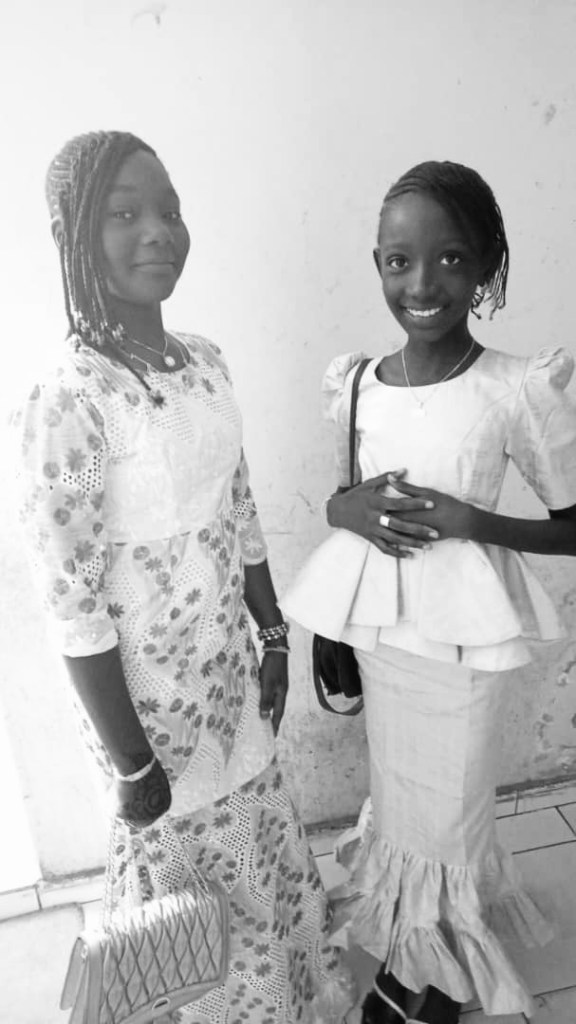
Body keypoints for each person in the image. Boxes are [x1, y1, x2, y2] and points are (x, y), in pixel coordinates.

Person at [14, 130, 356, 1024]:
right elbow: (71, 600)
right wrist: (131, 762)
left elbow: (239, 506)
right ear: (72, 238)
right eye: (123, 213)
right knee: (185, 916)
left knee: (260, 855)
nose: (157, 231)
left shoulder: (204, 361)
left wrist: (273, 635)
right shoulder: (73, 400)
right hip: (149, 711)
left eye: (169, 209)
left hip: (228, 677)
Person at [280, 160, 576, 1023]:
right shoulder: (356, 383)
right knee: (406, 803)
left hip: (464, 642)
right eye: (399, 261)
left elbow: (572, 526)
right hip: (385, 637)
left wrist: (472, 520)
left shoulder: (517, 387)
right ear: (377, 265)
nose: (422, 283)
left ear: (486, 266)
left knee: (451, 810)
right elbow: (346, 502)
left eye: (450, 258)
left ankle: (439, 971)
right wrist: (344, 514)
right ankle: (414, 947)